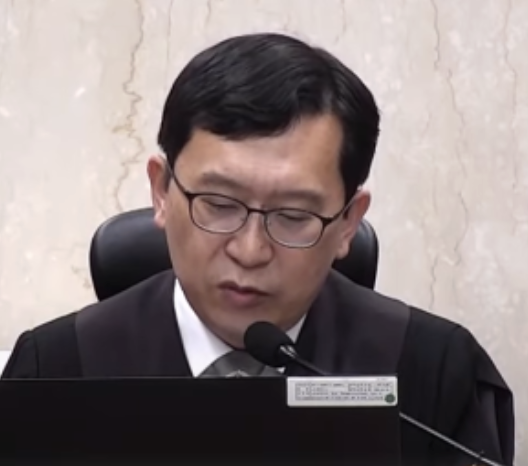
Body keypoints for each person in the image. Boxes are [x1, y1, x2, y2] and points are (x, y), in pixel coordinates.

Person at [2, 33, 514, 465]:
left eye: (293, 216)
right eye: (218, 205)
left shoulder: (433, 375)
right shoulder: (56, 369)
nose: (249, 251)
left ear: (347, 223)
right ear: (161, 192)